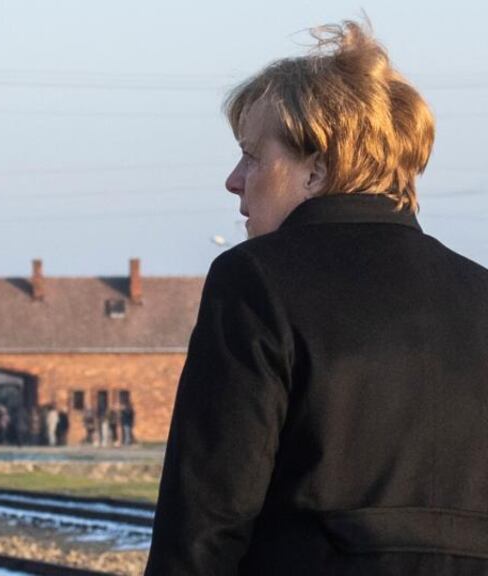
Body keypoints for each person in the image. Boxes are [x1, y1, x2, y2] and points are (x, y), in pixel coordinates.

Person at [145, 20, 488, 575]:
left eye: (253, 156)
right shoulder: (481, 295)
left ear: (318, 169)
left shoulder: (254, 282)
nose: (234, 180)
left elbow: (207, 519)